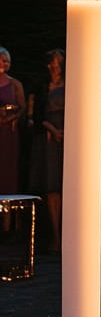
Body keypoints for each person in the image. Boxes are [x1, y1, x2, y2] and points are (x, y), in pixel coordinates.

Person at [27, 49, 66, 251]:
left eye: (58, 63)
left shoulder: (71, 84)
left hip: (69, 134)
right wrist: (52, 129)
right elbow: (35, 114)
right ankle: (55, 236)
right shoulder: (42, 87)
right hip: (47, 136)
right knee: (52, 186)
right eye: (51, 63)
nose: (54, 66)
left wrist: (65, 130)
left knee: (68, 184)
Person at [0, 46, 26, 194]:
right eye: (1, 60)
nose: (3, 64)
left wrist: (11, 117)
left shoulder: (15, 84)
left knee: (8, 166)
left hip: (9, 131)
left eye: (6, 61)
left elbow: (22, 107)